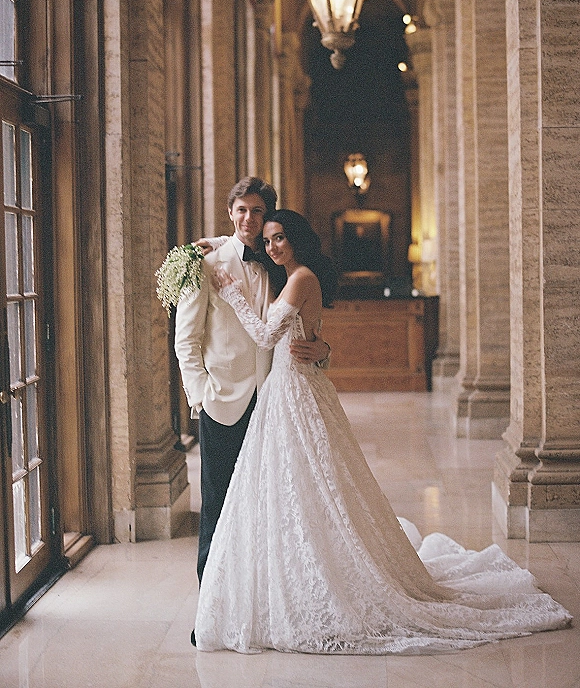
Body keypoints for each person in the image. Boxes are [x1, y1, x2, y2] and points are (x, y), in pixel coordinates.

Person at [193, 209, 571, 655]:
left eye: (280, 239)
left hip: (293, 390)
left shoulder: (299, 279)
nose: (273, 246)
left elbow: (263, 336)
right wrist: (220, 246)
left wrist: (234, 295)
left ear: (295, 240)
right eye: (269, 240)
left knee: (308, 483)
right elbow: (301, 332)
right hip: (289, 387)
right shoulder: (292, 277)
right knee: (295, 485)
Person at [174, 179, 329, 592]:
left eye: (257, 212)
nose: (248, 219)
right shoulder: (203, 264)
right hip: (222, 401)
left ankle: (260, 592)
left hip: (275, 400)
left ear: (269, 219)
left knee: (272, 500)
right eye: (241, 210)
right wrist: (201, 397)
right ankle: (212, 598)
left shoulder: (280, 262)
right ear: (230, 212)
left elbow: (301, 325)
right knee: (218, 504)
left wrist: (322, 348)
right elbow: (185, 340)